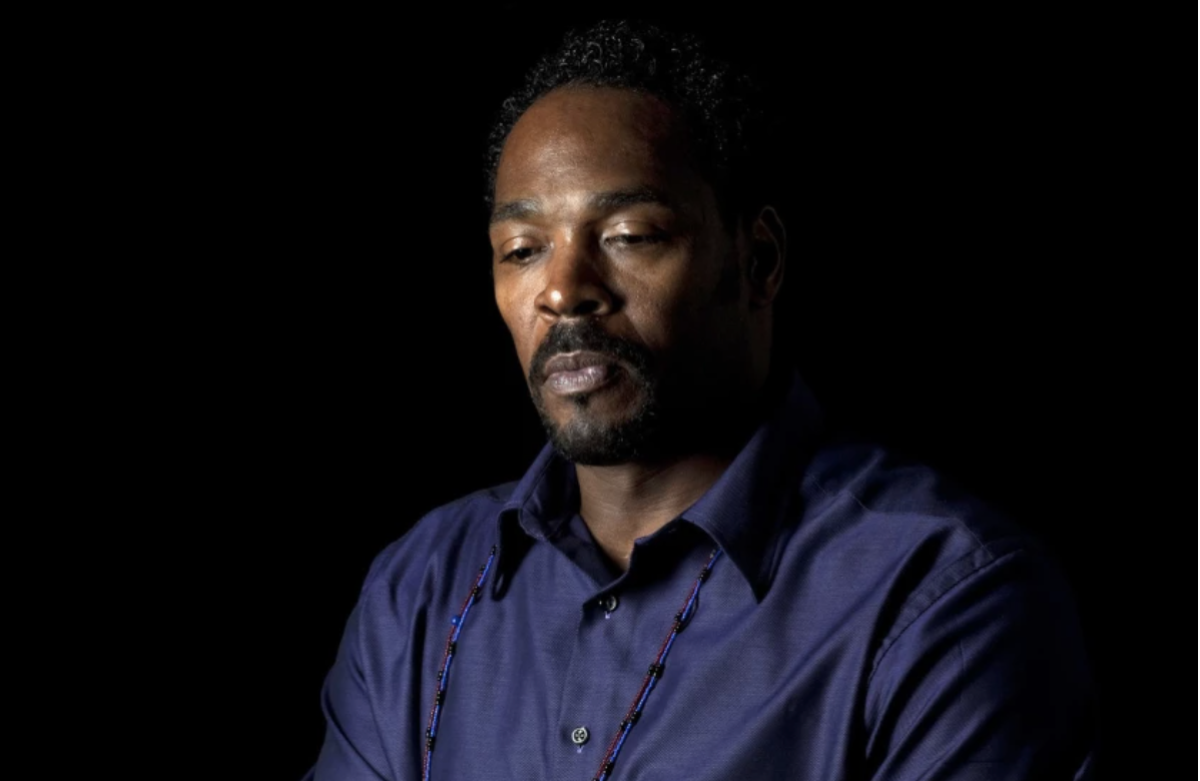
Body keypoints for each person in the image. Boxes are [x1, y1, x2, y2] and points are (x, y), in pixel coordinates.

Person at [304, 19, 1096, 781]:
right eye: (522, 250)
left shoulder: (942, 599)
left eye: (630, 235)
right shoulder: (418, 590)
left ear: (759, 261)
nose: (563, 291)